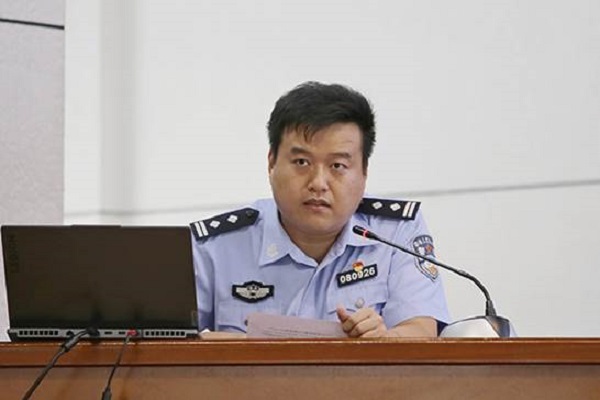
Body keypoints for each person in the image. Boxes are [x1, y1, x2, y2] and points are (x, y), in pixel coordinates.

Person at [190, 81, 449, 338]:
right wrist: (222, 350)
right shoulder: (213, 247)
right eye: (302, 162)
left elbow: (421, 332)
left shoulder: (395, 233)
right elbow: (170, 341)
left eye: (337, 166)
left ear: (364, 172)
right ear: (271, 163)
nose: (318, 183)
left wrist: (382, 340)